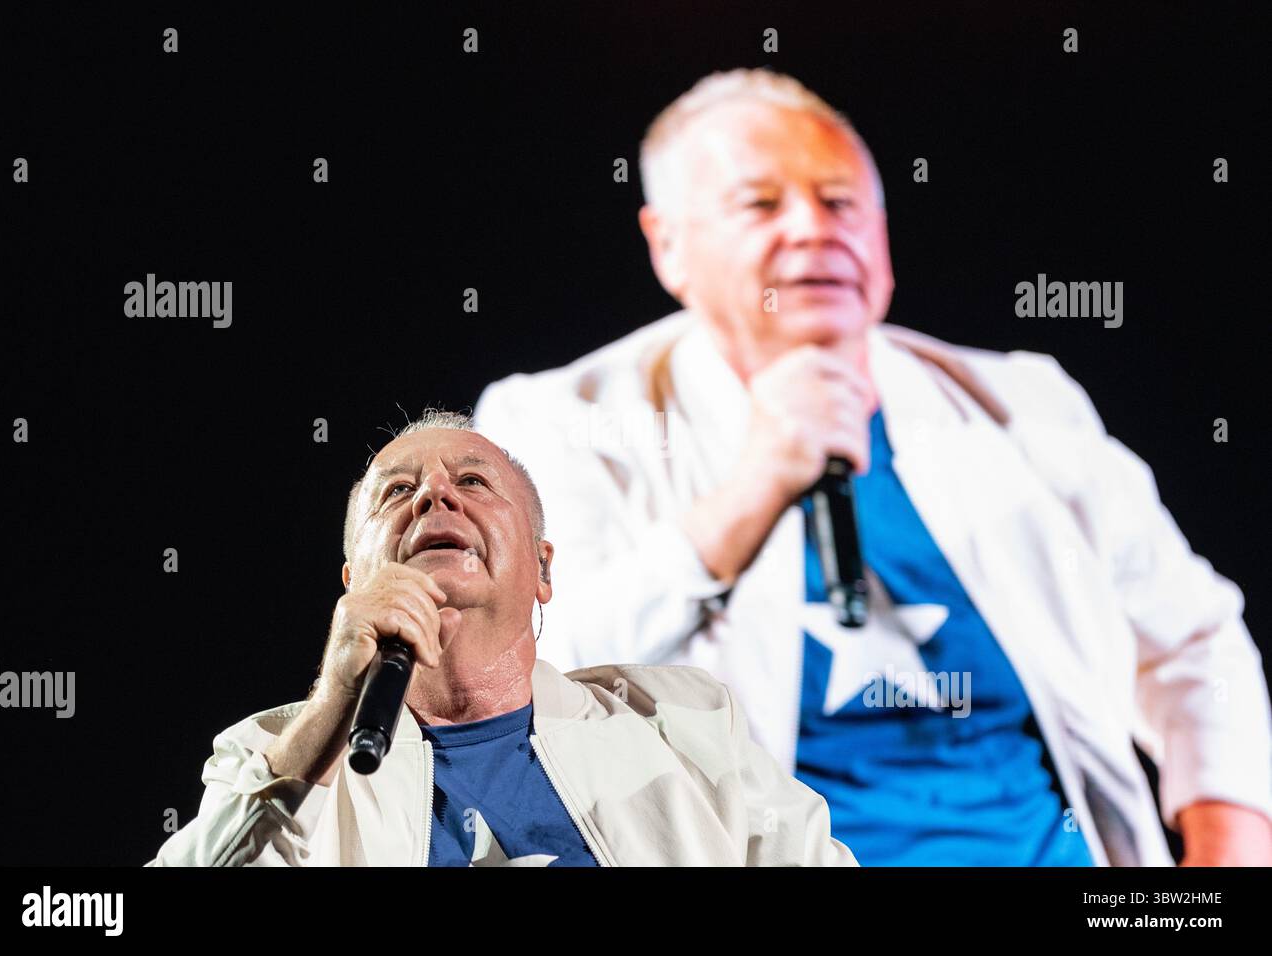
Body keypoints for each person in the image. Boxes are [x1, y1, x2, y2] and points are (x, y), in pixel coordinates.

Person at [473, 68, 1272, 866]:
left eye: (841, 201)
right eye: (760, 204)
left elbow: (1196, 643)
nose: (813, 229)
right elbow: (531, 689)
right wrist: (752, 491)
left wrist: (1228, 857)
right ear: (668, 244)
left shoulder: (1022, 404)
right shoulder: (558, 422)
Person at [147, 410, 855, 867]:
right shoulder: (279, 758)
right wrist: (333, 703)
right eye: (397, 492)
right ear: (353, 584)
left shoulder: (682, 722)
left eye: (473, 481)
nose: (434, 497)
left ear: (542, 569)